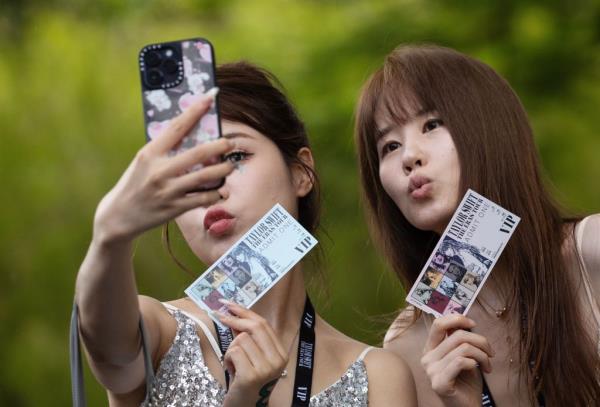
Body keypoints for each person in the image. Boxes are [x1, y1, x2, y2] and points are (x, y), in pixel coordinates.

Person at [75, 61, 417, 406]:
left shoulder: (378, 377)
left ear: (300, 173)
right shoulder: (159, 333)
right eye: (189, 175)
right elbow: (110, 354)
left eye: (235, 156)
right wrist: (110, 236)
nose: (214, 189)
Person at [354, 44, 600, 406]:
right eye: (389, 146)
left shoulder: (589, 252)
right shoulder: (408, 346)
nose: (409, 156)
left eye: (432, 124)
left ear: (489, 129)